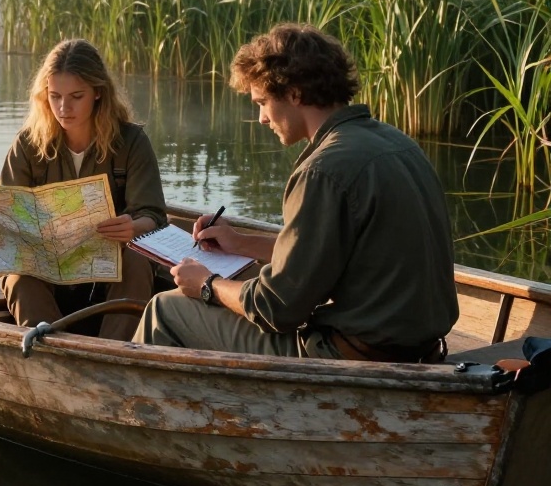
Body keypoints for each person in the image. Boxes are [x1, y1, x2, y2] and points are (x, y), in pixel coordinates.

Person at [134, 23, 459, 361]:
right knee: (236, 283)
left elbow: (276, 310)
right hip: (419, 350)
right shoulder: (398, 143)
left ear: (294, 94)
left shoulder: (321, 171)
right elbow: (330, 253)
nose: (260, 118)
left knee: (165, 309)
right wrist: (241, 243)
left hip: (355, 357)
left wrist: (207, 283)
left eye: (262, 102)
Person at [0, 38, 168, 341]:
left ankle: (114, 354)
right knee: (17, 273)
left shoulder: (131, 142)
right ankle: (53, 351)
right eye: (54, 97)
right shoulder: (29, 143)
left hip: (108, 267)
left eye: (76, 96)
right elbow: (0, 210)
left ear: (97, 93)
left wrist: (132, 227)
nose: (64, 108)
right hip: (44, 267)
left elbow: (154, 217)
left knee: (137, 258)